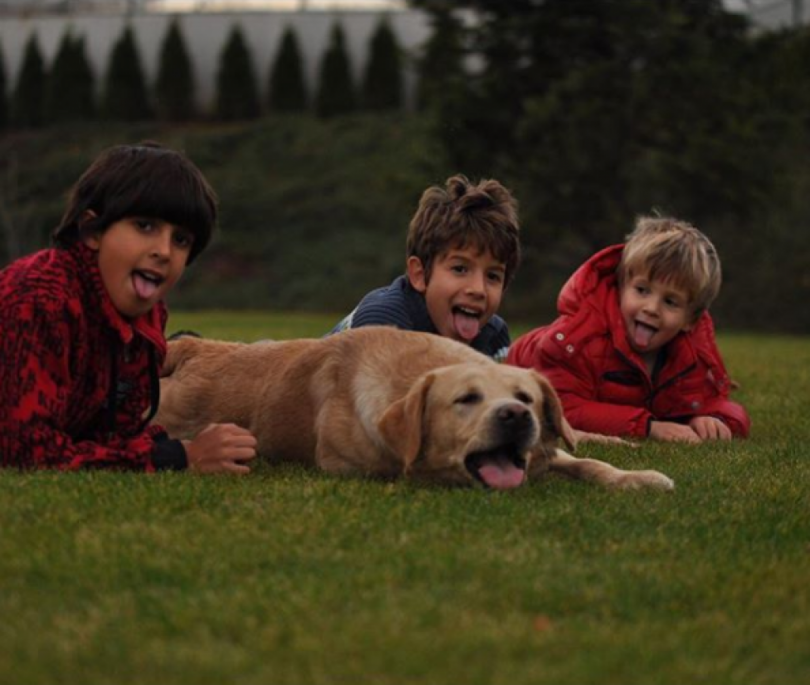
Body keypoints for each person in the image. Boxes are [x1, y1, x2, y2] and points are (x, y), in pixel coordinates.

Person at [0, 142, 257, 472]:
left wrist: (190, 445)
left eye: (181, 240)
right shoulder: (39, 298)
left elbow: (114, 432)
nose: (164, 251)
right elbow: (23, 451)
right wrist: (176, 458)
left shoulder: (147, 317)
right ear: (92, 230)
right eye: (145, 226)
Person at [507, 216, 751, 442]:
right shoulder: (577, 340)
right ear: (622, 286)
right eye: (642, 290)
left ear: (690, 320)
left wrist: (710, 418)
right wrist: (648, 426)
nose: (651, 308)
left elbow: (713, 402)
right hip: (510, 379)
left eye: (670, 302)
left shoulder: (688, 353)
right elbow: (562, 409)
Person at [330, 174, 521, 361]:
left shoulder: (493, 336)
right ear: (419, 274)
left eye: (493, 276)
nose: (478, 289)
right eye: (460, 269)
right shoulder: (383, 324)